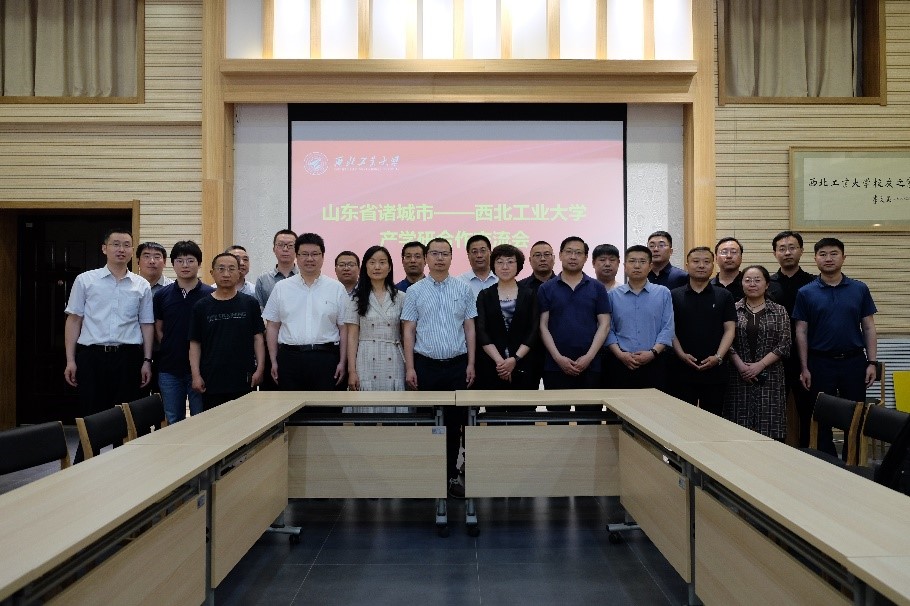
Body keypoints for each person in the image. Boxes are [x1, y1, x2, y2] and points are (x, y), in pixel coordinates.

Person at [64, 228, 154, 459]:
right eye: (115, 244)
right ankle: (85, 466)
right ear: (104, 248)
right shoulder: (85, 280)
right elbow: (74, 320)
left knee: (126, 415)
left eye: (126, 245)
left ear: (132, 251)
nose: (121, 249)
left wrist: (146, 360)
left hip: (128, 356)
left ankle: (122, 465)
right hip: (91, 356)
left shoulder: (141, 285)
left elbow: (146, 324)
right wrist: (70, 360)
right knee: (91, 414)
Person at [402, 237, 477, 499]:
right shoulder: (415, 291)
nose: (439, 258)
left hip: (457, 366)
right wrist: (410, 367)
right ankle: (429, 477)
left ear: (451, 258)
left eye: (444, 253)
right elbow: (409, 330)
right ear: (426, 258)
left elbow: (469, 328)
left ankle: (451, 476)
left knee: (455, 424)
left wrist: (471, 363)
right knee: (427, 422)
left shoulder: (463, 289)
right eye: (434, 253)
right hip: (425, 365)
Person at [793, 237, 878, 458]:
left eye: (833, 253)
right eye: (822, 254)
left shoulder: (859, 289)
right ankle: (826, 462)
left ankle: (853, 463)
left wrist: (872, 362)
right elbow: (801, 331)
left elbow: (869, 327)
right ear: (815, 258)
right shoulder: (806, 292)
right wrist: (804, 367)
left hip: (854, 362)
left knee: (855, 416)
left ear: (843, 257)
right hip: (819, 363)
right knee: (821, 417)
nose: (828, 258)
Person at [262, 233, 349, 402]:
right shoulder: (282, 287)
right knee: (290, 410)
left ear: (323, 257)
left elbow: (344, 328)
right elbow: (272, 326)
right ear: (297, 256)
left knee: (325, 410)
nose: (310, 259)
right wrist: (273, 360)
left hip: (326, 358)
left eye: (315, 254)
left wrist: (342, 362)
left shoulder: (336, 288)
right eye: (304, 254)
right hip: (290, 359)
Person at [538, 237, 610, 411]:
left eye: (578, 253)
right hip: (555, 365)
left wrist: (589, 357)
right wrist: (558, 358)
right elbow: (542, 326)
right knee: (557, 418)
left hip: (590, 364)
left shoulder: (597, 287)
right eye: (569, 252)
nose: (573, 257)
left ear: (585, 258)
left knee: (589, 419)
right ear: (560, 255)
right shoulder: (546, 288)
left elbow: (605, 325)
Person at [189, 252, 265, 410]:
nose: (226, 274)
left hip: (244, 377)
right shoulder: (201, 306)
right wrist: (196, 375)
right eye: (221, 269)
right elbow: (195, 343)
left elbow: (258, 338)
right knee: (215, 422)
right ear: (212, 273)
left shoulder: (250, 303)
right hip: (212, 379)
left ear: (239, 273)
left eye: (231, 269)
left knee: (245, 419)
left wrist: (260, 369)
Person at [725, 265, 791, 440]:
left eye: (757, 280)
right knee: (737, 429)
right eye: (747, 280)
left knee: (770, 430)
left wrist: (760, 365)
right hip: (739, 375)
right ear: (742, 284)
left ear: (767, 284)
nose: (752, 284)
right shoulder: (732, 309)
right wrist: (741, 366)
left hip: (771, 376)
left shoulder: (779, 311)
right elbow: (726, 342)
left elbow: (785, 344)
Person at [670, 247, 736, 416]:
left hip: (715, 370)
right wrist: (681, 354)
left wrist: (718, 357)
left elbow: (730, 330)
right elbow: (669, 329)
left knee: (714, 420)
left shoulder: (724, 295)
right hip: (681, 369)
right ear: (687, 265)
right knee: (682, 419)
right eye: (696, 261)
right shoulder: (674, 295)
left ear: (713, 266)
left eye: (706, 262)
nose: (701, 265)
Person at [154, 241, 214, 423]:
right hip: (170, 368)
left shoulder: (210, 294)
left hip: (202, 369)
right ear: (172, 264)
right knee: (173, 420)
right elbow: (159, 329)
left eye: (190, 260)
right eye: (180, 261)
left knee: (201, 420)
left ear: (199, 263)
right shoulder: (162, 295)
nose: (185, 265)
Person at [345, 245, 410, 413]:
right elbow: (352, 336)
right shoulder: (356, 298)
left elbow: (406, 335)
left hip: (393, 355)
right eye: (372, 262)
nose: (377, 267)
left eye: (382, 262)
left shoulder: (401, 297)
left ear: (389, 267)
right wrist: (351, 371)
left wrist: (410, 367)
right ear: (365, 266)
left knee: (394, 408)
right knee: (366, 408)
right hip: (366, 356)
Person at [475, 244, 539, 413]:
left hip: (523, 364)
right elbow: (481, 331)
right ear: (493, 266)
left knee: (523, 416)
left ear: (518, 266)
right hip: (493, 366)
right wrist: (500, 363)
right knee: (494, 415)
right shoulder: (485, 295)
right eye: (500, 262)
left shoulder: (530, 294)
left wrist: (515, 359)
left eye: (510, 262)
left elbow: (533, 330)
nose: (505, 267)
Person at [769, 230, 816, 447]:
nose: (787, 253)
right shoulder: (767, 284)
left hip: (806, 357)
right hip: (774, 358)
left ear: (801, 251)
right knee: (774, 411)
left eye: (792, 248)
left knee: (808, 410)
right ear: (775, 253)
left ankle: (808, 453)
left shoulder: (814, 283)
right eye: (782, 249)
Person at [606, 245, 674, 390]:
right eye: (632, 261)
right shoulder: (612, 295)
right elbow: (608, 329)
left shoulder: (663, 293)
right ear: (625, 266)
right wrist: (620, 355)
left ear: (650, 266)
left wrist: (652, 353)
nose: (637, 266)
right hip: (620, 363)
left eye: (642, 262)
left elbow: (667, 327)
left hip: (654, 362)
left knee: (653, 404)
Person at [711, 236, 784, 304]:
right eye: (724, 252)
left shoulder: (752, 285)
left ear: (741, 257)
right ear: (716, 258)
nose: (729, 256)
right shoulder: (708, 286)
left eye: (734, 252)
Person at [255, 229, 298, 308]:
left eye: (290, 245)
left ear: (297, 250)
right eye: (280, 245)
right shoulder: (263, 280)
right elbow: (259, 310)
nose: (285, 249)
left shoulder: (304, 277)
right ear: (274, 249)